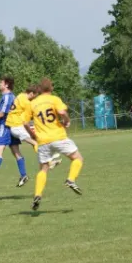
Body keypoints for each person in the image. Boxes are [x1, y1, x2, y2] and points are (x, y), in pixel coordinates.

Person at [29, 78, 84, 211]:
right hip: (58, 136)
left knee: (43, 169)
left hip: (42, 141)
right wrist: (67, 121)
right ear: (51, 88)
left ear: (40, 90)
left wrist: (32, 135)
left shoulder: (33, 103)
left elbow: (25, 122)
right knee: (77, 158)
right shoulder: (54, 99)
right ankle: (71, 179)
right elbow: (61, 112)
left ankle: (37, 194)